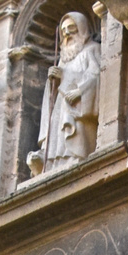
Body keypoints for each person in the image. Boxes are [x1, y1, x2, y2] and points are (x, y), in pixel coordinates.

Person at [28, 10, 102, 176]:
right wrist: (52, 81)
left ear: (82, 28)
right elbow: (54, 91)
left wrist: (79, 92)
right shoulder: (63, 59)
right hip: (61, 105)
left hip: (77, 105)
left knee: (75, 135)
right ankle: (55, 162)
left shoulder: (92, 50)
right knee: (57, 134)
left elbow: (96, 76)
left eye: (71, 28)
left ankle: (76, 157)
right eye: (63, 30)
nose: (67, 33)